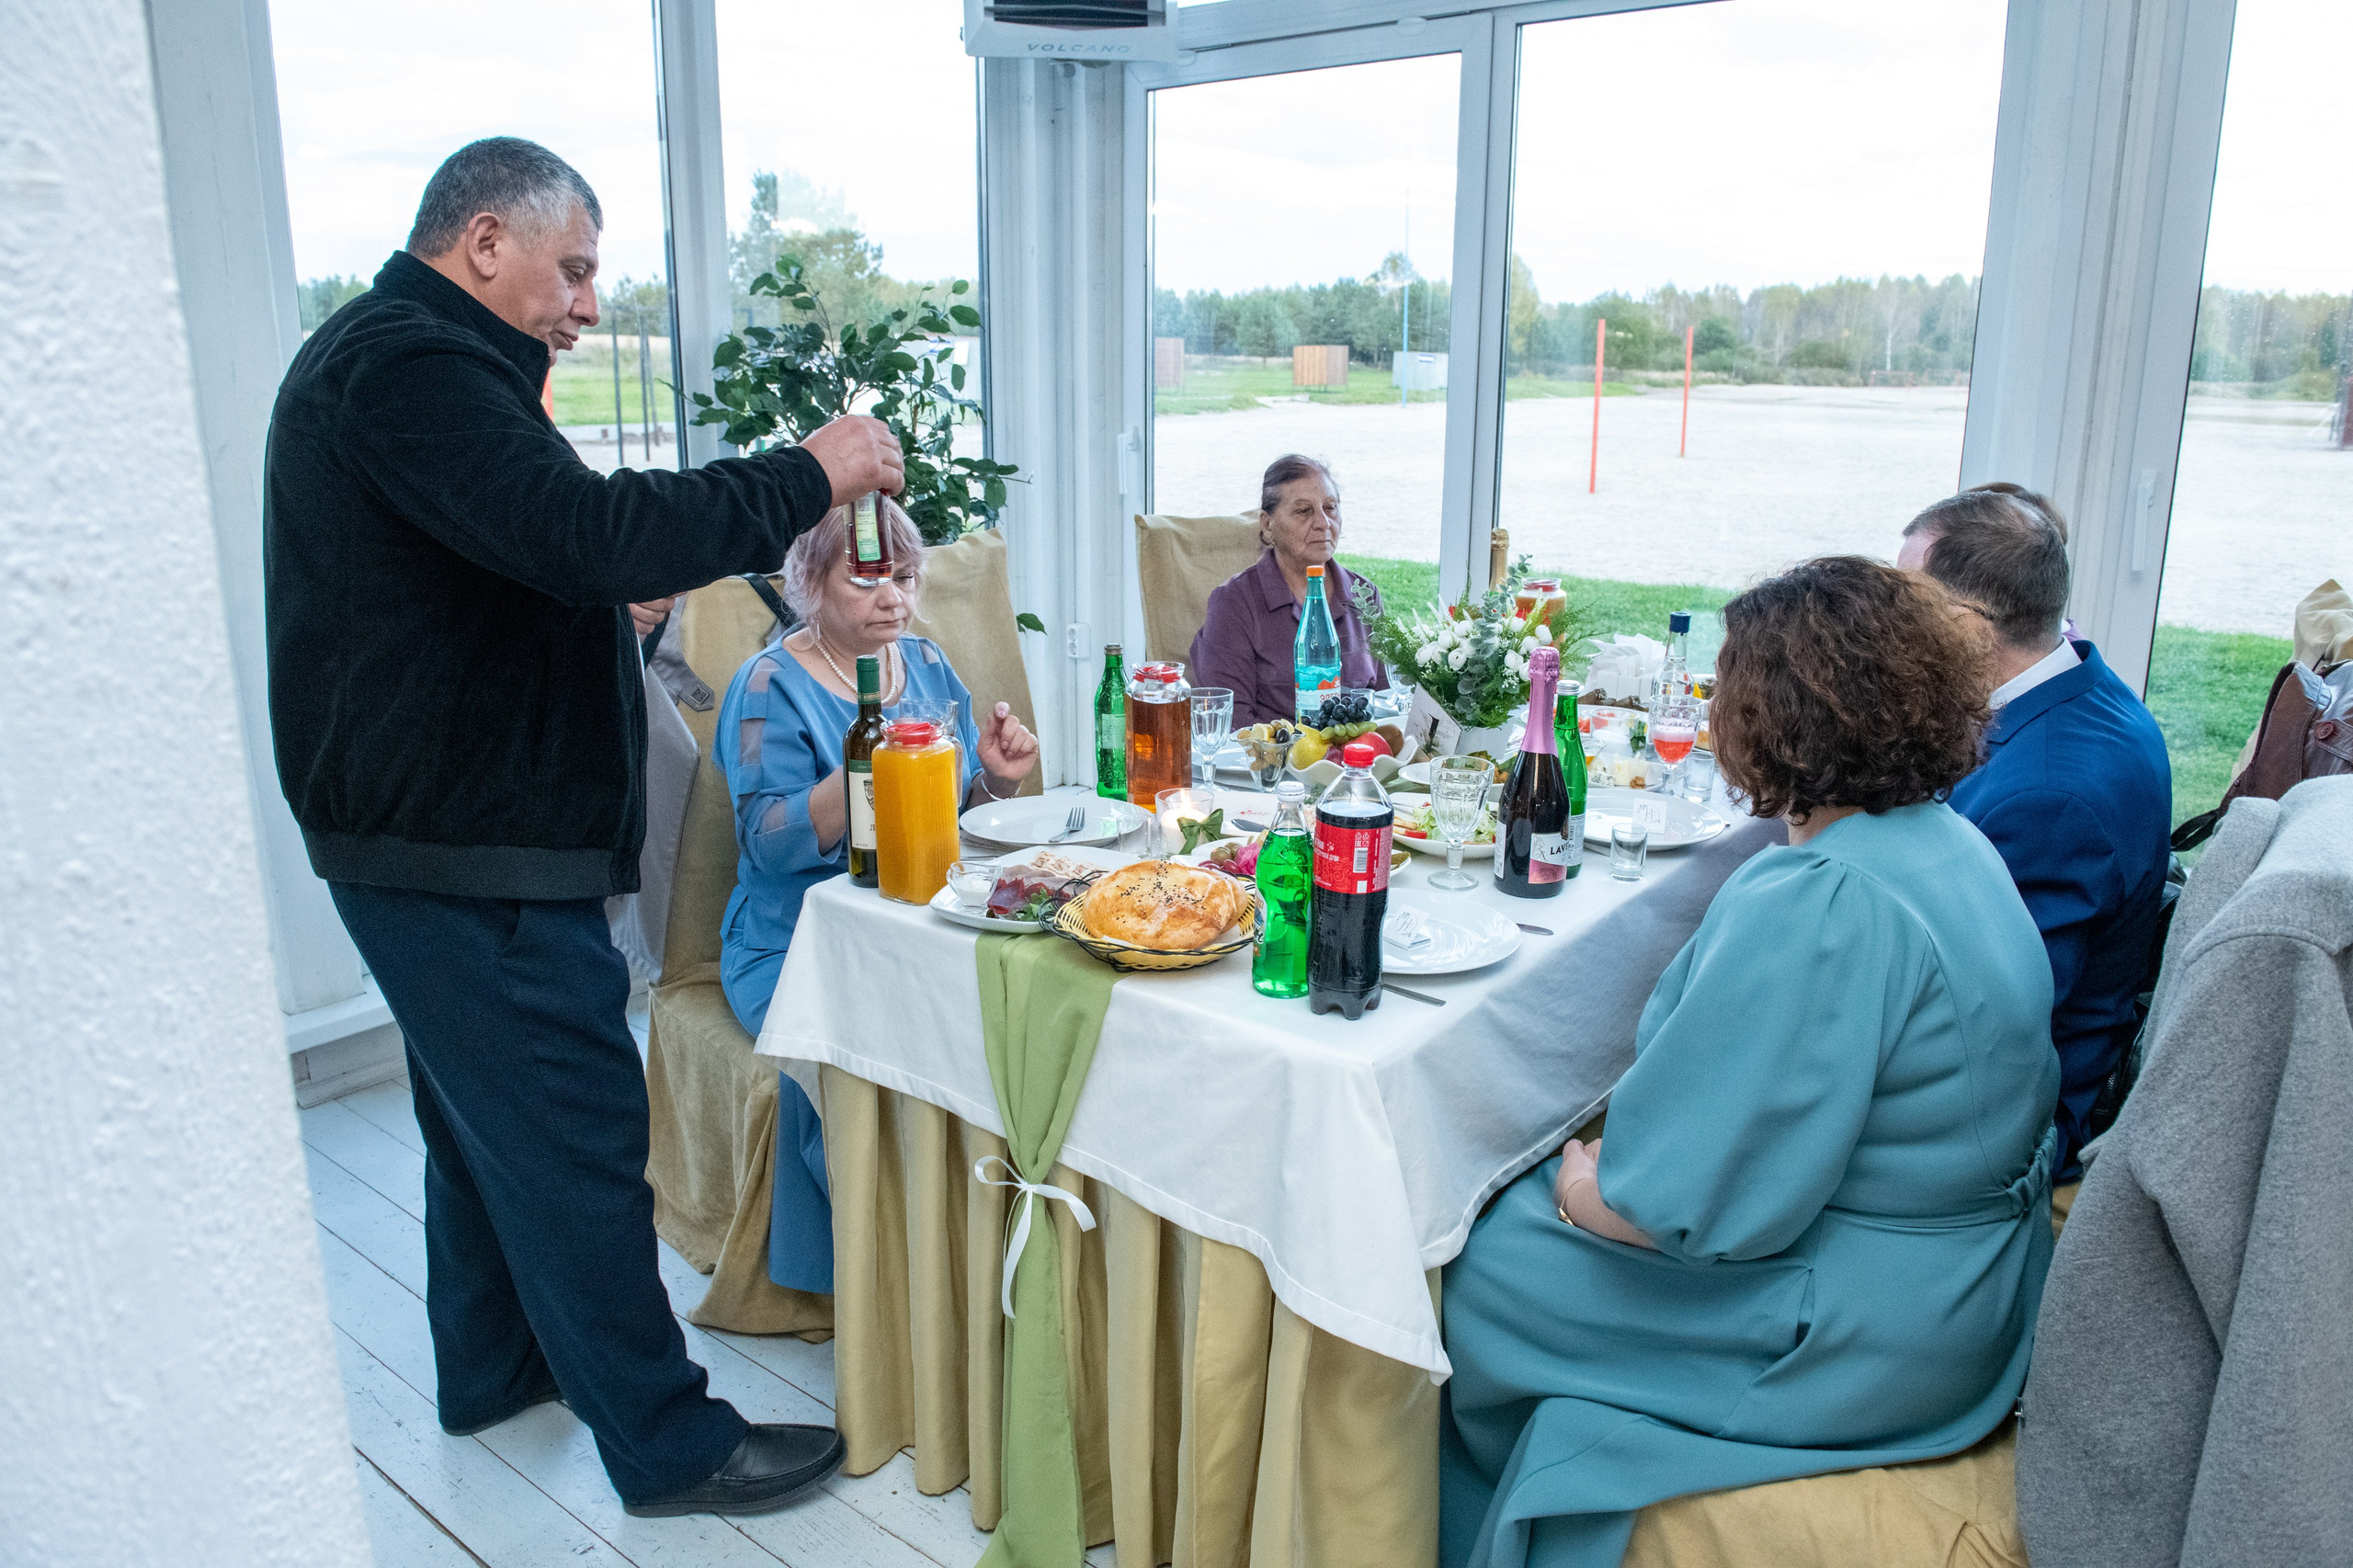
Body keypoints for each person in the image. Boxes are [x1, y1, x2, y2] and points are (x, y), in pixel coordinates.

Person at [265, 137, 906, 1518]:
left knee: (477, 1123)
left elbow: (505, 564)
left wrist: (585, 607)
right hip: (466, 841)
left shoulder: (410, 365)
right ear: (483, 241)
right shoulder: (409, 362)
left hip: (429, 830)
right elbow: (589, 529)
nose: (586, 301)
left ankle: (492, 1366)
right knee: (572, 1125)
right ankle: (671, 1442)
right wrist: (810, 469)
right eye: (574, 267)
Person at [1440, 557, 2062, 1568]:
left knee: (1476, 1261)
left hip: (1869, 1332)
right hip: (1979, 1281)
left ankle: (1469, 1520)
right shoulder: (1949, 839)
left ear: (1765, 715)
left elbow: (1685, 1206)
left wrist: (1576, 1190)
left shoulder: (1822, 897)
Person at [711, 497, 1038, 1296]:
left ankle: (983, 1257)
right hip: (795, 948)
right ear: (808, 583)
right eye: (867, 580)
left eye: (904, 576)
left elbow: (960, 827)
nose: (894, 596)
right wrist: (868, 766)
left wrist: (995, 775)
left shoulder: (926, 669)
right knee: (878, 1067)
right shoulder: (766, 688)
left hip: (923, 928)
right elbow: (768, 840)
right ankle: (880, 1284)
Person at [1899, 483, 2172, 1182]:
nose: (1888, 627)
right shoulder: (2081, 686)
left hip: (2006, 1123)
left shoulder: (2048, 795)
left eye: (1904, 604)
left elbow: (1988, 1024)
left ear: (1964, 624)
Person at [1188, 454, 1387, 726]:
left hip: (1357, 765)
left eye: (1330, 508)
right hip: (1275, 764)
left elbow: (1388, 703)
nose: (1323, 523)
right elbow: (1232, 723)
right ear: (1268, 524)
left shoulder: (1364, 595)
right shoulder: (1234, 603)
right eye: (1303, 511)